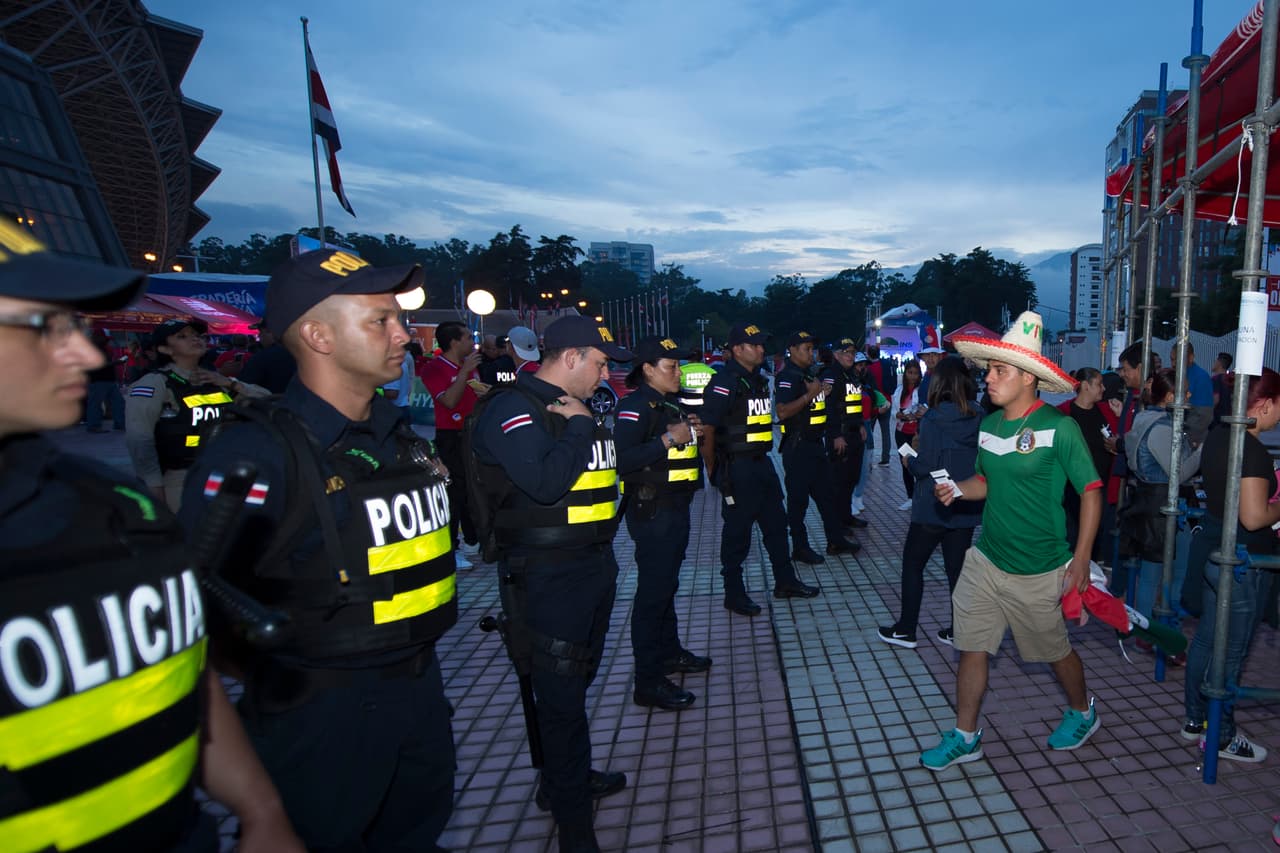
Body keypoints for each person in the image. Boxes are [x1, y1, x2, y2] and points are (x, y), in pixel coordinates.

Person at [0, 219, 300, 851]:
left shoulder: (108, 508)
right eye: (43, 326)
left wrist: (260, 808)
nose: (86, 354)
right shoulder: (145, 414)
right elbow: (141, 441)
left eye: (75, 326)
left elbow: (180, 668)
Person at [179, 249, 459, 850]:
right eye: (380, 321)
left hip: (417, 693)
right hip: (321, 713)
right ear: (317, 335)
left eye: (399, 319)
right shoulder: (256, 455)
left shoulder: (393, 439)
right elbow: (194, 613)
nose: (403, 336)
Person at [470, 315, 631, 852]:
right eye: (600, 362)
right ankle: (575, 829)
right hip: (546, 576)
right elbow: (542, 484)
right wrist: (582, 425)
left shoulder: (578, 407)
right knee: (560, 702)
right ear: (569, 358)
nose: (605, 373)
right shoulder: (514, 408)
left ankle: (564, 781)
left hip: (591, 566)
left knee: (575, 686)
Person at [921, 311, 1103, 771]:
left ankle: (1083, 711)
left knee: (1054, 653)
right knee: (973, 645)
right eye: (988, 371)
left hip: (1040, 568)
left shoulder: (1060, 429)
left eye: (999, 371)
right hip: (987, 559)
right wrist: (961, 488)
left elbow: (1091, 493)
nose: (989, 379)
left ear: (1027, 378)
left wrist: (1080, 561)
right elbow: (987, 480)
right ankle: (965, 736)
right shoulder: (989, 426)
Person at [1181, 369, 1280, 764]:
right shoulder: (1251, 449)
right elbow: (1255, 516)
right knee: (1232, 653)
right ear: (1265, 403)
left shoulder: (1220, 436)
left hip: (1214, 547)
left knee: (1207, 641)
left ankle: (1195, 720)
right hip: (1242, 559)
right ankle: (1220, 735)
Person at [615, 336, 711, 712]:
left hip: (675, 508)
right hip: (652, 512)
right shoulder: (634, 407)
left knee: (666, 585)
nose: (679, 372)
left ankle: (670, 652)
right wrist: (670, 439)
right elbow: (621, 459)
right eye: (671, 367)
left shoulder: (669, 402)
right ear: (649, 370)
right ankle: (648, 681)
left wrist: (689, 433)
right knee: (652, 596)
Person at [699, 323, 820, 617]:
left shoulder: (758, 380)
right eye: (754, 345)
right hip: (737, 467)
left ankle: (785, 581)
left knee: (777, 527)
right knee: (737, 534)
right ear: (737, 349)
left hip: (762, 464)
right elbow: (708, 429)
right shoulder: (723, 382)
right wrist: (714, 469)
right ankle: (734, 592)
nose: (761, 349)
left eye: (762, 344)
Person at [879, 357, 983, 649]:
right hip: (965, 501)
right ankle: (959, 630)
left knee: (913, 564)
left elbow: (925, 465)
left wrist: (908, 458)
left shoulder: (934, 418)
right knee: (957, 570)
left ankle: (906, 629)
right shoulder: (979, 414)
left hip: (932, 504)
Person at [125, 318, 269, 511]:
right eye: (182, 336)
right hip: (180, 478)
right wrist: (154, 486)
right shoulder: (154, 384)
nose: (195, 340)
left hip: (224, 473)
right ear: (165, 349)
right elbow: (140, 439)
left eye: (197, 335)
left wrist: (230, 383)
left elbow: (266, 400)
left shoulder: (215, 380)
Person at [1121, 368, 1201, 619]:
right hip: (1163, 507)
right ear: (1168, 397)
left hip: (1148, 502)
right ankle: (1160, 627)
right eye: (1183, 390)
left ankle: (1146, 629)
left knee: (1149, 573)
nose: (1189, 394)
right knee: (1166, 572)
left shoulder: (1144, 418)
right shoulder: (1162, 427)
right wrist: (1202, 452)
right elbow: (1180, 473)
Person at [774, 330, 860, 563]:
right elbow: (782, 411)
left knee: (827, 496)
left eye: (812, 349)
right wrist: (810, 395)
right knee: (798, 501)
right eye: (806, 349)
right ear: (791, 350)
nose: (810, 353)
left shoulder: (807, 373)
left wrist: (820, 393)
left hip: (814, 445)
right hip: (798, 447)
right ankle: (800, 547)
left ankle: (835, 540)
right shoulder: (787, 376)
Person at [421, 320, 484, 565]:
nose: (472, 342)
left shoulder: (471, 366)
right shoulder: (435, 368)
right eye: (468, 337)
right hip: (450, 435)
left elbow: (473, 395)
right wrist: (464, 372)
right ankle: (452, 548)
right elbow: (448, 401)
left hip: (472, 433)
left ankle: (473, 540)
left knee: (472, 488)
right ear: (454, 341)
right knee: (453, 492)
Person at [1057, 367, 1117, 561]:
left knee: (1097, 537)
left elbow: (1120, 439)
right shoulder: (1064, 414)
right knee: (1073, 536)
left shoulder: (1107, 411)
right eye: (1099, 384)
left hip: (1102, 487)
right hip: (1072, 490)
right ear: (1085, 386)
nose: (1103, 388)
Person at [820, 337, 868, 528]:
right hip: (841, 436)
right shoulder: (831, 375)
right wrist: (835, 435)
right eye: (846, 352)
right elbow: (829, 408)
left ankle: (846, 516)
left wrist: (861, 424)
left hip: (854, 433)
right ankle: (837, 523)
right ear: (836, 354)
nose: (851, 356)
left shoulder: (851, 376)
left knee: (851, 478)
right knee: (838, 481)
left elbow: (853, 405)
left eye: (853, 353)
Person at [893, 358, 925, 510]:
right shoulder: (900, 390)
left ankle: (921, 496)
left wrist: (916, 415)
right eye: (910, 373)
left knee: (919, 465)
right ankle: (911, 497)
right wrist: (898, 415)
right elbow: (894, 409)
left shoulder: (922, 390)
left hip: (916, 434)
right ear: (905, 373)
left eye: (915, 373)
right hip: (901, 433)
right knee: (906, 464)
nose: (912, 376)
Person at [239, 321, 298, 393]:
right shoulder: (303, 354)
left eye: (261, 332)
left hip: (267, 402)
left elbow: (240, 389)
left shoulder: (263, 357)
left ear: (271, 333)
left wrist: (226, 378)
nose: (259, 336)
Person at [85, 327, 125, 431]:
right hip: (98, 379)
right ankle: (94, 426)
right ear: (97, 337)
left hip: (108, 379)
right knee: (96, 403)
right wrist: (115, 363)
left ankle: (120, 423)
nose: (106, 341)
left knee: (118, 402)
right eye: (104, 338)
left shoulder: (102, 348)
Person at [1179, 341, 1214, 445]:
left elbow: (1204, 416)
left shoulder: (1201, 377)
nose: (1174, 363)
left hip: (1192, 439)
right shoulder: (1177, 374)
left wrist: (1185, 436)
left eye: (1177, 359)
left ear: (1191, 357)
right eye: (1172, 359)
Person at [867, 344, 897, 464]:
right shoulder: (885, 365)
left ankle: (869, 458)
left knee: (870, 431)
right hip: (886, 401)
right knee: (886, 432)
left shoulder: (867, 368)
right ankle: (886, 458)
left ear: (869, 354)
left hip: (873, 403)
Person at [380, 344, 415, 424]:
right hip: (401, 409)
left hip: (395, 412)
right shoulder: (400, 363)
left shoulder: (392, 366)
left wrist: (373, 392)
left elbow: (392, 393)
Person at [1211, 351, 1234, 426]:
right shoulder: (1230, 380)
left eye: (1215, 361)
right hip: (1228, 420)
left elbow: (1215, 399)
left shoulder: (1215, 379)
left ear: (1218, 363)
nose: (1214, 363)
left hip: (1216, 420)